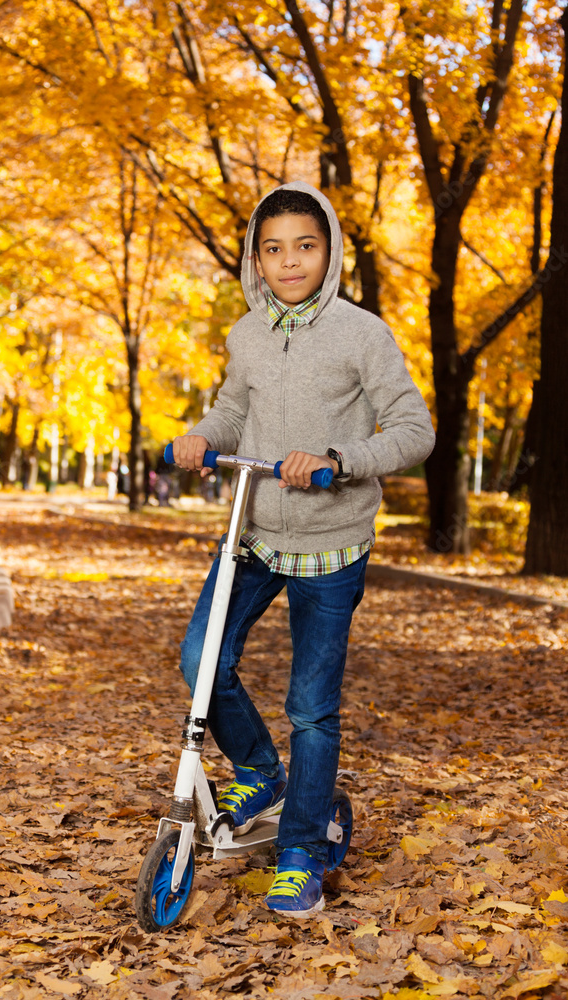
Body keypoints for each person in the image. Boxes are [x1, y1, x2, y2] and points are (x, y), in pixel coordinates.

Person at [170, 182, 435, 918]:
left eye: (305, 246)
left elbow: (414, 431)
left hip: (330, 543)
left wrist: (337, 458)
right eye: (274, 247)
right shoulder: (246, 332)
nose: (289, 261)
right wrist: (202, 438)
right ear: (256, 256)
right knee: (201, 660)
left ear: (330, 252)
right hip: (252, 533)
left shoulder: (361, 334)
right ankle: (258, 768)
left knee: (311, 709)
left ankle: (298, 853)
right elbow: (231, 411)